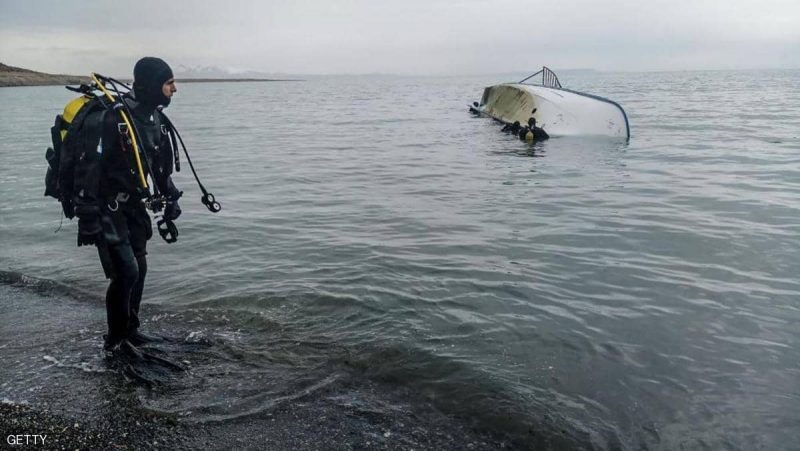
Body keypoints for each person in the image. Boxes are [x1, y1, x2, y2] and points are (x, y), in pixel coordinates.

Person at [74, 57, 182, 353]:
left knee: (140, 267)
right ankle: (115, 340)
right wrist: (87, 218)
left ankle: (131, 331)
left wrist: (171, 198)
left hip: (133, 205)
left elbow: (159, 168)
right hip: (106, 207)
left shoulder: (156, 119)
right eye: (169, 83)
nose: (174, 89)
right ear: (152, 85)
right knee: (126, 272)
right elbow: (89, 168)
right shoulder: (114, 119)